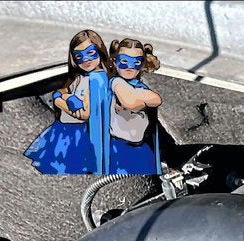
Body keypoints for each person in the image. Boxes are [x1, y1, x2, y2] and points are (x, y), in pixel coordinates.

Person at [24, 29, 111, 174]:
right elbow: (67, 91)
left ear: (100, 51)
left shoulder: (96, 80)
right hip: (66, 131)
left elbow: (84, 114)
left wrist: (59, 100)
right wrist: (66, 97)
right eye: (79, 56)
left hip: (77, 134)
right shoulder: (83, 77)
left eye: (90, 53)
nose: (85, 59)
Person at [107, 38, 163, 175]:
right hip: (118, 145)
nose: (129, 67)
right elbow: (131, 103)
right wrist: (141, 98)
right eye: (124, 61)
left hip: (140, 143)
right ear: (115, 62)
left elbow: (156, 99)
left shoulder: (138, 85)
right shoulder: (116, 82)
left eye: (136, 62)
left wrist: (138, 96)